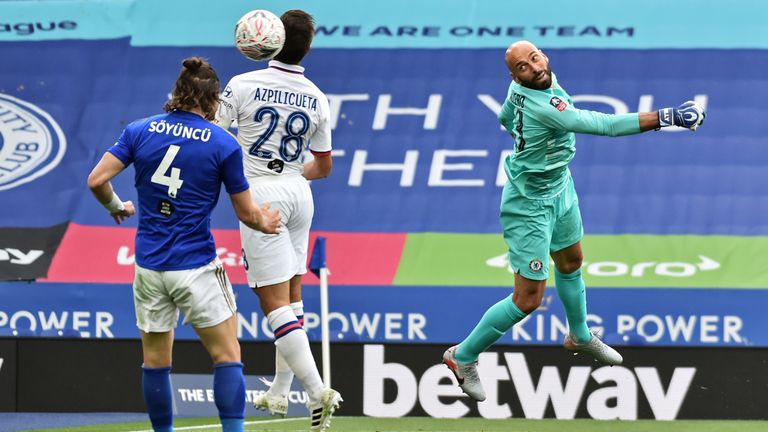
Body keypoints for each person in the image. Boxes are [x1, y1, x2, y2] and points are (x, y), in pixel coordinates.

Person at [443, 40, 706, 401]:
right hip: (529, 206)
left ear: (543, 56)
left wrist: (527, 141)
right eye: (522, 67)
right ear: (514, 76)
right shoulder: (547, 107)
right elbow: (606, 125)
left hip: (560, 189)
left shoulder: (530, 84)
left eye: (534, 58)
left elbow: (505, 116)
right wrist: (668, 117)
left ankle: (579, 335)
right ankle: (464, 355)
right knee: (528, 299)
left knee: (572, 261)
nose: (533, 67)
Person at [87, 57, 281, 432]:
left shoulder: (140, 131)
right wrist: (265, 220)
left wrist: (116, 206)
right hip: (195, 266)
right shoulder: (224, 144)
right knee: (227, 356)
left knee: (156, 362)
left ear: (176, 93)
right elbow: (247, 213)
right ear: (212, 101)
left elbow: (96, 180)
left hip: (148, 266)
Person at [216, 9, 341, 431]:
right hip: (299, 192)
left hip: (261, 193)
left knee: (272, 302)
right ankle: (279, 393)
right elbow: (323, 167)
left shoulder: (243, 84)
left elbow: (212, 134)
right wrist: (289, 173)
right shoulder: (317, 96)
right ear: (308, 46)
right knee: (291, 295)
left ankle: (316, 388)